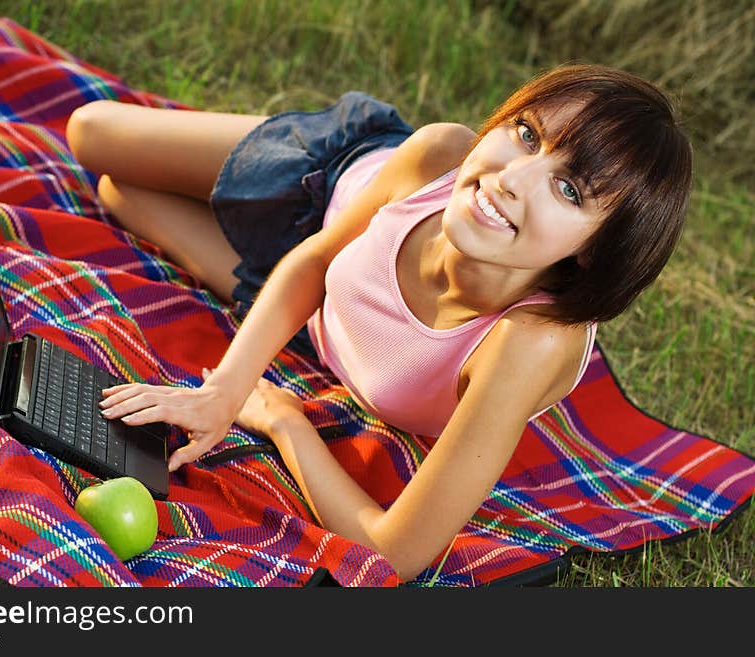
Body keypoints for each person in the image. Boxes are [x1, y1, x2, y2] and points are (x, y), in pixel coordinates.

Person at [65, 64, 692, 582]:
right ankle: (262, 139)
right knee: (89, 134)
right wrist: (223, 392)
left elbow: (395, 553)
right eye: (527, 134)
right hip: (325, 180)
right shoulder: (440, 157)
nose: (511, 178)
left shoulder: (528, 341)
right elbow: (316, 257)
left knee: (124, 194)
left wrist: (285, 422)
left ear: (598, 249)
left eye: (571, 192)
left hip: (298, 299)